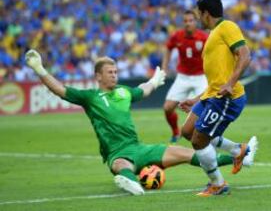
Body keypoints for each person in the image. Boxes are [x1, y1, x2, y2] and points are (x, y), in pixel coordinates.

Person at [24, 49, 236, 196]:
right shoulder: (90, 97)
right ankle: (131, 182)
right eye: (110, 73)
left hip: (140, 148)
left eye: (116, 72)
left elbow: (143, 90)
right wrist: (40, 70)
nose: (115, 75)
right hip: (118, 152)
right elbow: (60, 90)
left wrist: (154, 81)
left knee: (188, 153)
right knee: (120, 165)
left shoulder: (124, 92)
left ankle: (238, 157)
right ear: (98, 76)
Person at [178, 0, 258, 197]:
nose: (197, 18)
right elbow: (216, 78)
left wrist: (230, 83)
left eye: (198, 14)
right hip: (211, 95)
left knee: (198, 141)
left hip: (227, 98)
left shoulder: (227, 27)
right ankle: (237, 150)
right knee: (187, 131)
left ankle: (218, 184)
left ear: (206, 13)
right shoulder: (213, 35)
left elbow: (245, 55)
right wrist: (196, 99)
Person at [162, 10, 208, 143]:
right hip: (183, 77)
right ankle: (176, 132)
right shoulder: (177, 36)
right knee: (168, 108)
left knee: (203, 109)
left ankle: (204, 136)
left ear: (196, 22)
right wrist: (165, 66)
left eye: (190, 21)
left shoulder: (204, 37)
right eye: (185, 21)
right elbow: (168, 48)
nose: (188, 24)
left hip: (200, 77)